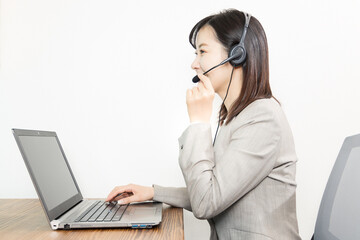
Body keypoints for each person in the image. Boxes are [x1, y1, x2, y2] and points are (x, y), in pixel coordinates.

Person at [106, 9, 301, 240]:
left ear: (237, 54)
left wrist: (198, 124)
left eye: (202, 52)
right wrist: (153, 192)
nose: (194, 64)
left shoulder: (263, 118)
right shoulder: (236, 116)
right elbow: (213, 189)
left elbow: (206, 202)